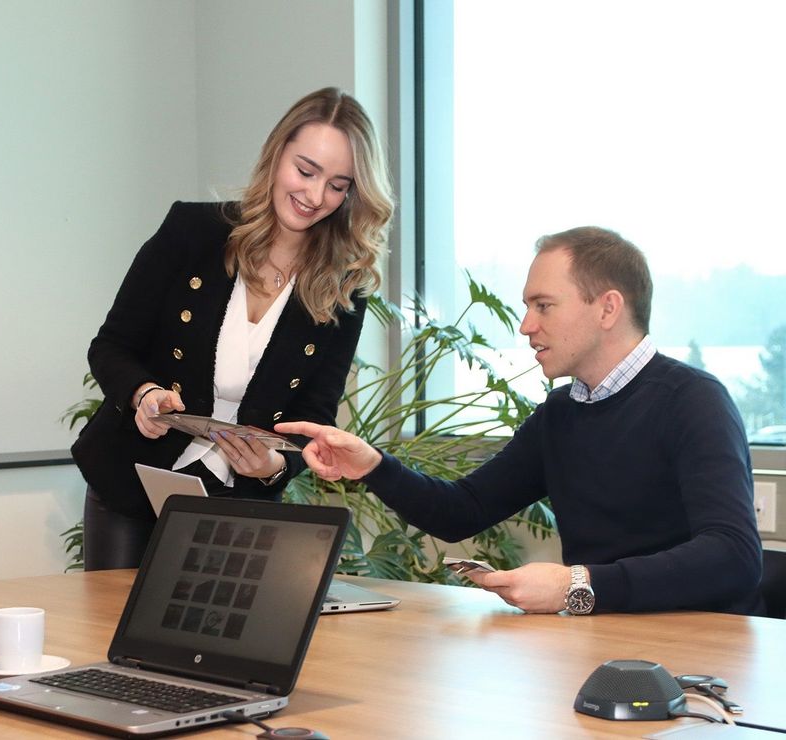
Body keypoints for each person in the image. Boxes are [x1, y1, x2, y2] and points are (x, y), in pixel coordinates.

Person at [278, 226, 764, 615]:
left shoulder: (694, 401)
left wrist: (579, 585)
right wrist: (371, 466)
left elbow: (733, 557)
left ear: (608, 308)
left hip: (701, 658)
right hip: (602, 647)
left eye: (543, 306)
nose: (526, 325)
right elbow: (460, 511)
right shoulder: (561, 414)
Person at [72, 88, 394, 570]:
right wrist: (144, 395)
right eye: (305, 171)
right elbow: (111, 346)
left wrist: (274, 467)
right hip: (132, 485)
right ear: (276, 153)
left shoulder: (343, 285)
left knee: (216, 642)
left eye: (337, 184)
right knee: (111, 637)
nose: (314, 195)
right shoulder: (192, 231)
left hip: (239, 501)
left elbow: (314, 415)